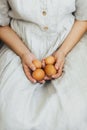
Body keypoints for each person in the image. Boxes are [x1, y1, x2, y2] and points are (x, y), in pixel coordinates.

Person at [0, 0, 87, 129]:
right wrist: (24, 54)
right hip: (19, 43)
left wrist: (62, 52)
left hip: (68, 41)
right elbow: (2, 25)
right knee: (9, 115)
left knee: (76, 112)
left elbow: (83, 19)